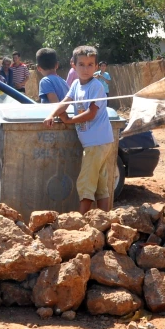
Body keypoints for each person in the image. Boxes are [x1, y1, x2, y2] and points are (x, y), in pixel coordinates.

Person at [47, 46, 117, 213]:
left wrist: (69, 121)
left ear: (96, 66)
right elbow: (66, 100)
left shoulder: (96, 86)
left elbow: (91, 113)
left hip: (96, 143)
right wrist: (51, 115)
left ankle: (81, 221)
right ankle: (104, 219)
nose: (86, 69)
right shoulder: (76, 84)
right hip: (99, 142)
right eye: (82, 64)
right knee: (100, 183)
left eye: (90, 65)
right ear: (73, 65)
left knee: (86, 183)